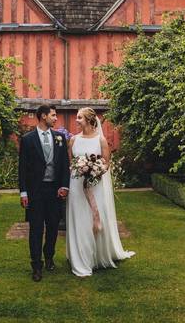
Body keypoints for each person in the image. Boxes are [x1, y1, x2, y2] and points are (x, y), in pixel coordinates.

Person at [65, 107, 135, 277]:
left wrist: (94, 170)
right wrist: (80, 170)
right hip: (76, 186)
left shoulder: (101, 140)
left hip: (95, 186)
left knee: (94, 218)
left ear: (89, 120)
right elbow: (70, 163)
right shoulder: (73, 140)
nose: (76, 120)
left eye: (80, 118)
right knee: (79, 219)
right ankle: (80, 257)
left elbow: (106, 163)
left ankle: (96, 256)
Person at [18, 104, 70, 282]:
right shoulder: (27, 139)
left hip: (55, 191)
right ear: (43, 116)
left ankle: (49, 257)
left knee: (54, 226)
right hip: (35, 192)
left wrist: (65, 186)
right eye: (53, 115)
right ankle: (36, 265)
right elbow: (22, 169)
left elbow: (64, 165)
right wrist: (23, 192)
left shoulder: (60, 138)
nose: (56, 119)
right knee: (36, 229)